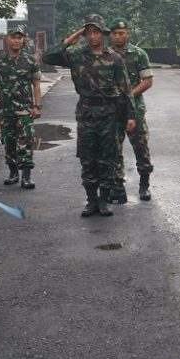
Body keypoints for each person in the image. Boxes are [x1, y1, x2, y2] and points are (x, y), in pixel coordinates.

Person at [42, 14, 136, 217]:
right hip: (86, 113)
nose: (93, 36)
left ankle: (103, 201)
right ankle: (91, 200)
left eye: (96, 32)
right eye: (89, 32)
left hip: (108, 114)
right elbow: (47, 57)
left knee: (107, 159)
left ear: (103, 34)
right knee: (87, 158)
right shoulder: (76, 55)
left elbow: (126, 89)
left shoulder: (114, 58)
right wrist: (71, 39)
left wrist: (130, 116)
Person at [0, 25, 42, 190]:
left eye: (19, 37)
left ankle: (26, 177)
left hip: (25, 110)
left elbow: (36, 84)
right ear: (7, 40)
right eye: (13, 37)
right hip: (6, 110)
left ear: (23, 40)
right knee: (9, 142)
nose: (16, 40)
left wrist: (37, 106)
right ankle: (13, 173)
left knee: (26, 141)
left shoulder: (30, 60)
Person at [108, 17, 156, 202]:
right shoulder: (106, 55)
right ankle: (117, 185)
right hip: (112, 110)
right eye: (115, 33)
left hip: (135, 110)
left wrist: (128, 95)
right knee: (113, 149)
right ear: (110, 36)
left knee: (141, 147)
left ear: (128, 34)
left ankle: (144, 185)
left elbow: (148, 81)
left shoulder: (138, 54)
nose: (119, 36)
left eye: (122, 33)